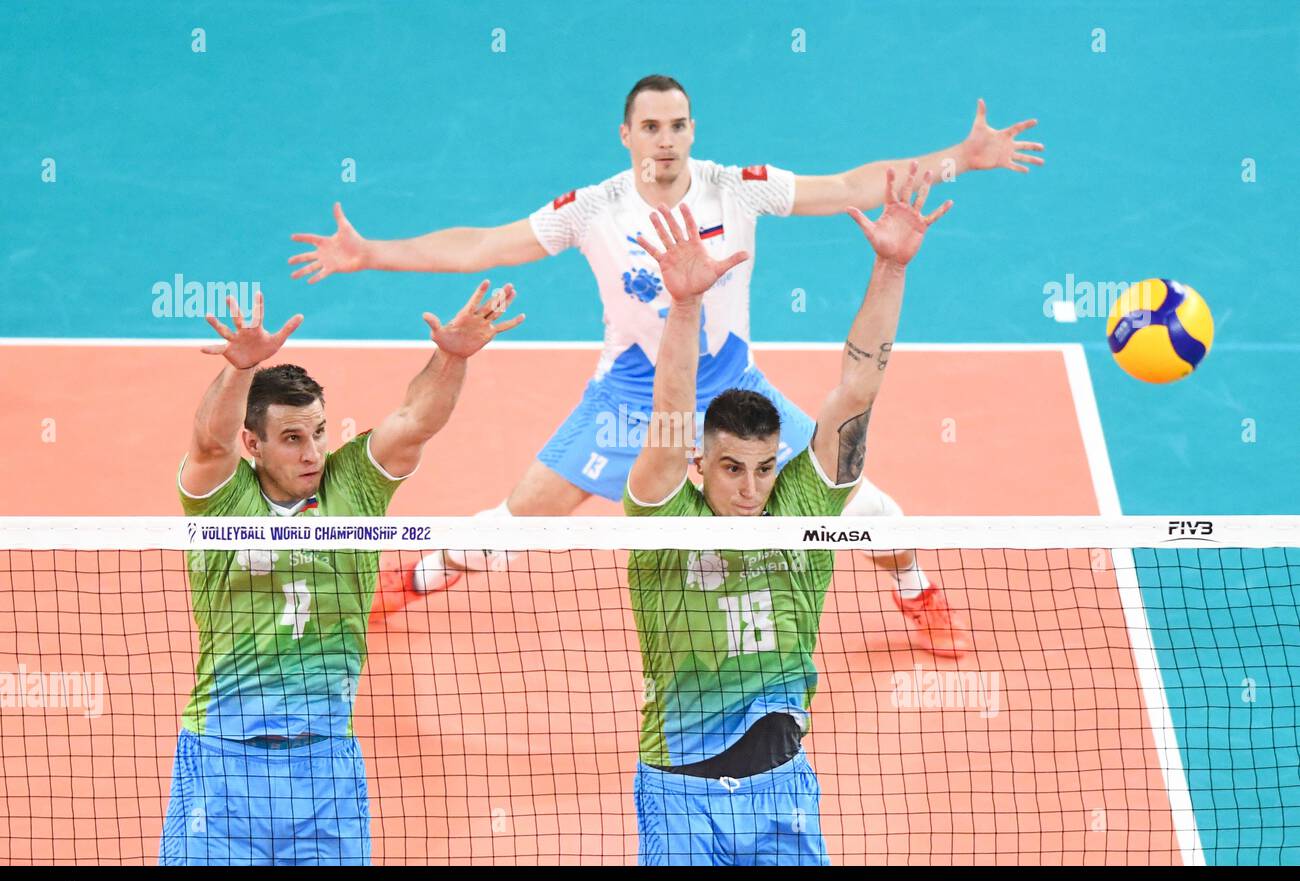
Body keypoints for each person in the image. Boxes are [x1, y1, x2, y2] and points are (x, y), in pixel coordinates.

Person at [289, 75, 1042, 655]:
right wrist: (371, 254)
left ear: (691, 130)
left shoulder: (737, 189)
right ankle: (416, 578)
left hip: (733, 393)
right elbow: (482, 246)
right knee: (517, 521)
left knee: (868, 510)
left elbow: (851, 185)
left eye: (677, 125)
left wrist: (958, 160)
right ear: (626, 134)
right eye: (651, 126)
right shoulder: (592, 208)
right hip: (628, 400)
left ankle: (914, 589)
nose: (666, 139)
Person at [623, 161, 950, 864]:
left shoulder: (802, 504)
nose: (749, 489)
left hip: (783, 791)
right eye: (732, 470)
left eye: (764, 469)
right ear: (698, 466)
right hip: (678, 796)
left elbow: (858, 391)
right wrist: (685, 309)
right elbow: (671, 413)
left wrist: (891, 268)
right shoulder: (663, 521)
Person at [160, 283, 522, 864]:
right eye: (292, 439)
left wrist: (453, 357)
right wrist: (239, 370)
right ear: (253, 443)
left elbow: (415, 421)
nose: (312, 453)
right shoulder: (223, 500)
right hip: (223, 755)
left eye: (319, 433)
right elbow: (207, 443)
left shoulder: (352, 485)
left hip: (325, 763)